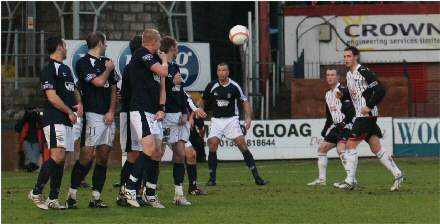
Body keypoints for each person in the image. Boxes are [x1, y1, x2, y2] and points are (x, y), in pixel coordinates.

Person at [334, 46, 406, 191]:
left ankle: (350, 181)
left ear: (356, 57)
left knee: (350, 145)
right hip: (362, 115)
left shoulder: (364, 71)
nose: (346, 59)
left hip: (367, 115)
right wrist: (344, 95)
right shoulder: (349, 75)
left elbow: (380, 89)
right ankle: (398, 174)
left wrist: (369, 105)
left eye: (349, 56)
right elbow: (356, 94)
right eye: (345, 56)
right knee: (376, 147)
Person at [28, 34, 83, 210]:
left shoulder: (65, 69)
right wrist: (69, 112)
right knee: (57, 156)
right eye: (65, 45)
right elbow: (52, 97)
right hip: (54, 118)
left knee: (61, 159)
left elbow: (73, 88)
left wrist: (79, 102)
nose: (66, 48)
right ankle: (36, 192)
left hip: (66, 119)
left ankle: (53, 199)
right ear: (59, 47)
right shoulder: (49, 69)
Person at [66, 31, 119, 208]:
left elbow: (113, 88)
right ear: (99, 43)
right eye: (105, 42)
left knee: (103, 157)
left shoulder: (108, 61)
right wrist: (108, 69)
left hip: (108, 117)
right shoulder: (83, 63)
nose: (107, 46)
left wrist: (112, 111)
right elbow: (97, 82)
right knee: (87, 156)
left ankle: (96, 197)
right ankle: (71, 195)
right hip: (91, 115)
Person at [198, 62, 268, 186]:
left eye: (224, 70)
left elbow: (244, 101)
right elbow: (202, 100)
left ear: (228, 72)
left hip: (231, 120)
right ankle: (212, 179)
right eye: (219, 70)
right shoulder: (211, 85)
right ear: (217, 72)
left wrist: (249, 117)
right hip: (217, 120)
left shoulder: (234, 86)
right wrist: (194, 114)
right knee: (213, 145)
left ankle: (257, 177)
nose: (221, 73)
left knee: (242, 144)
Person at [123, 29, 168, 208]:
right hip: (139, 109)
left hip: (153, 111)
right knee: (148, 148)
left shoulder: (155, 60)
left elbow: (162, 87)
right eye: (159, 43)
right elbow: (163, 72)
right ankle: (130, 186)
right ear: (154, 42)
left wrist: (162, 108)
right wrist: (164, 61)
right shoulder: (142, 53)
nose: (160, 46)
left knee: (157, 152)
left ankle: (150, 193)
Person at [307, 69, 355, 186]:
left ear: (338, 77)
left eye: (333, 75)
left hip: (346, 126)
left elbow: (352, 110)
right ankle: (322, 179)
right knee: (322, 149)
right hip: (336, 127)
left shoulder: (343, 91)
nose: (330, 77)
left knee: (341, 150)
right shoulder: (328, 94)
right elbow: (329, 114)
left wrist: (343, 123)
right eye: (328, 75)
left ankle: (351, 179)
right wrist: (326, 127)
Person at [116, 35, 146, 207]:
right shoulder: (132, 68)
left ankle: (133, 191)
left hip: (138, 114)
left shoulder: (139, 67)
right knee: (133, 155)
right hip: (130, 114)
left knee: (140, 154)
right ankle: (124, 192)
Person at [185, 91, 207, 195]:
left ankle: (192, 188)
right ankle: (145, 188)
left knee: (191, 154)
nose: (179, 75)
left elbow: (190, 101)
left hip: (178, 128)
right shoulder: (161, 89)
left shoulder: (181, 91)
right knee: (156, 154)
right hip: (161, 125)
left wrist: (196, 110)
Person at [15, 104, 44, 172]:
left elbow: (43, 126)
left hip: (36, 141)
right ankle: (33, 166)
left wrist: (37, 117)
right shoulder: (25, 120)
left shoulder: (37, 120)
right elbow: (17, 128)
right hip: (26, 140)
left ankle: (29, 167)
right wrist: (24, 118)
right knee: (29, 153)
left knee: (35, 154)